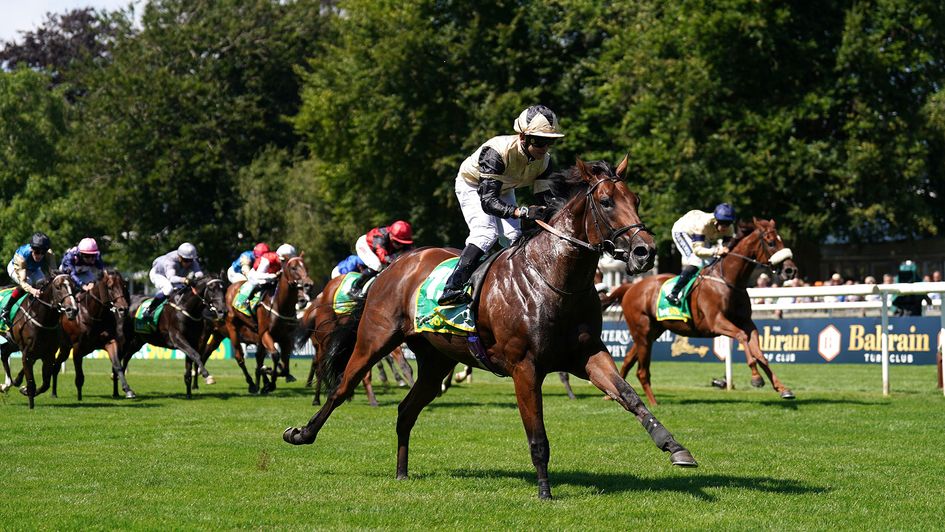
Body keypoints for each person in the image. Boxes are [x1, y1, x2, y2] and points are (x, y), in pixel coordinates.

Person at [438, 104, 564, 306]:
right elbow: (488, 201)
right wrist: (522, 212)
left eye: (550, 142)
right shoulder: (496, 152)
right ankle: (452, 288)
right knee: (486, 234)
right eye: (540, 141)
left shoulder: (545, 161)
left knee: (515, 237)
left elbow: (545, 199)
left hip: (504, 188)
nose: (545, 148)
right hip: (473, 184)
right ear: (523, 137)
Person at [665, 203, 736, 306]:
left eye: (728, 223)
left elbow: (726, 249)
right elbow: (698, 251)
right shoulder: (702, 224)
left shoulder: (730, 228)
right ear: (716, 220)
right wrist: (716, 251)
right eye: (722, 223)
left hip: (704, 235)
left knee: (712, 262)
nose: (725, 227)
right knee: (695, 260)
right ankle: (674, 293)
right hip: (682, 231)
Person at [349, 221, 414, 297]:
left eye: (403, 243)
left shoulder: (403, 241)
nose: (400, 246)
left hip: (382, 249)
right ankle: (355, 287)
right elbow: (382, 257)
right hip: (365, 245)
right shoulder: (380, 237)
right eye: (397, 242)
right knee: (377, 265)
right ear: (390, 235)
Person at [140, 243, 204, 320]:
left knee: (185, 289)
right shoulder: (171, 260)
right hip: (159, 274)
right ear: (179, 257)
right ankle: (149, 309)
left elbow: (199, 274)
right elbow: (171, 278)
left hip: (175, 275)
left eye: (190, 260)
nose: (188, 263)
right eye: (186, 260)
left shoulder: (192, 260)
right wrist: (185, 280)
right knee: (168, 289)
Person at [1, 232, 55, 323]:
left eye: (43, 253)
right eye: (37, 252)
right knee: (28, 282)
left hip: (33, 269)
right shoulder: (22, 256)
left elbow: (54, 273)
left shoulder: (49, 254)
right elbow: (23, 282)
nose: (40, 256)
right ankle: (6, 309)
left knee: (44, 282)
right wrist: (33, 290)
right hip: (16, 268)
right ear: (31, 249)